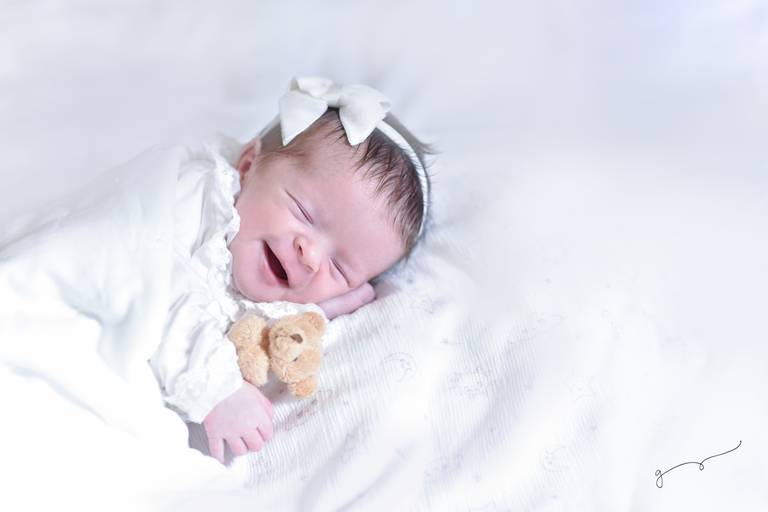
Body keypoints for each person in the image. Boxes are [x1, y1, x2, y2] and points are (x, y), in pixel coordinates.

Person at [149, 77, 433, 463]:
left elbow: (257, 320)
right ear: (247, 167)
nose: (311, 256)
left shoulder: (277, 298)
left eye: (340, 268)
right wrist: (218, 389)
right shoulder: (195, 198)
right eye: (303, 212)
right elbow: (152, 288)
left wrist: (321, 310)